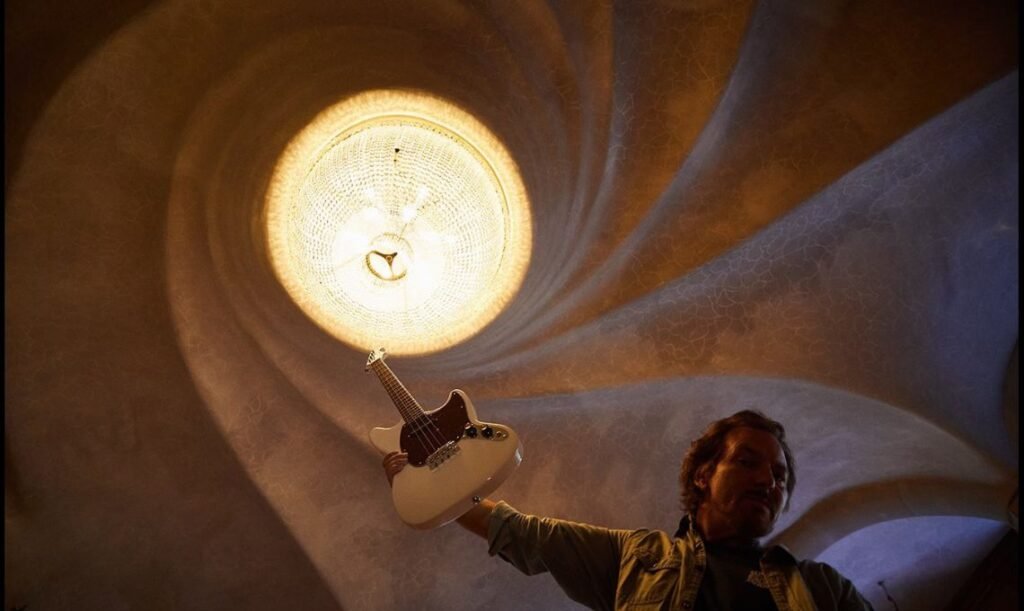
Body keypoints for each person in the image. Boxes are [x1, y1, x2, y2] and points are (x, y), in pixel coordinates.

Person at [383, 409, 874, 610]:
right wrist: (428, 484)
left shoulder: (823, 588)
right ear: (704, 475)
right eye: (747, 462)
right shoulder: (634, 557)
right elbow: (518, 531)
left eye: (780, 477)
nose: (768, 481)